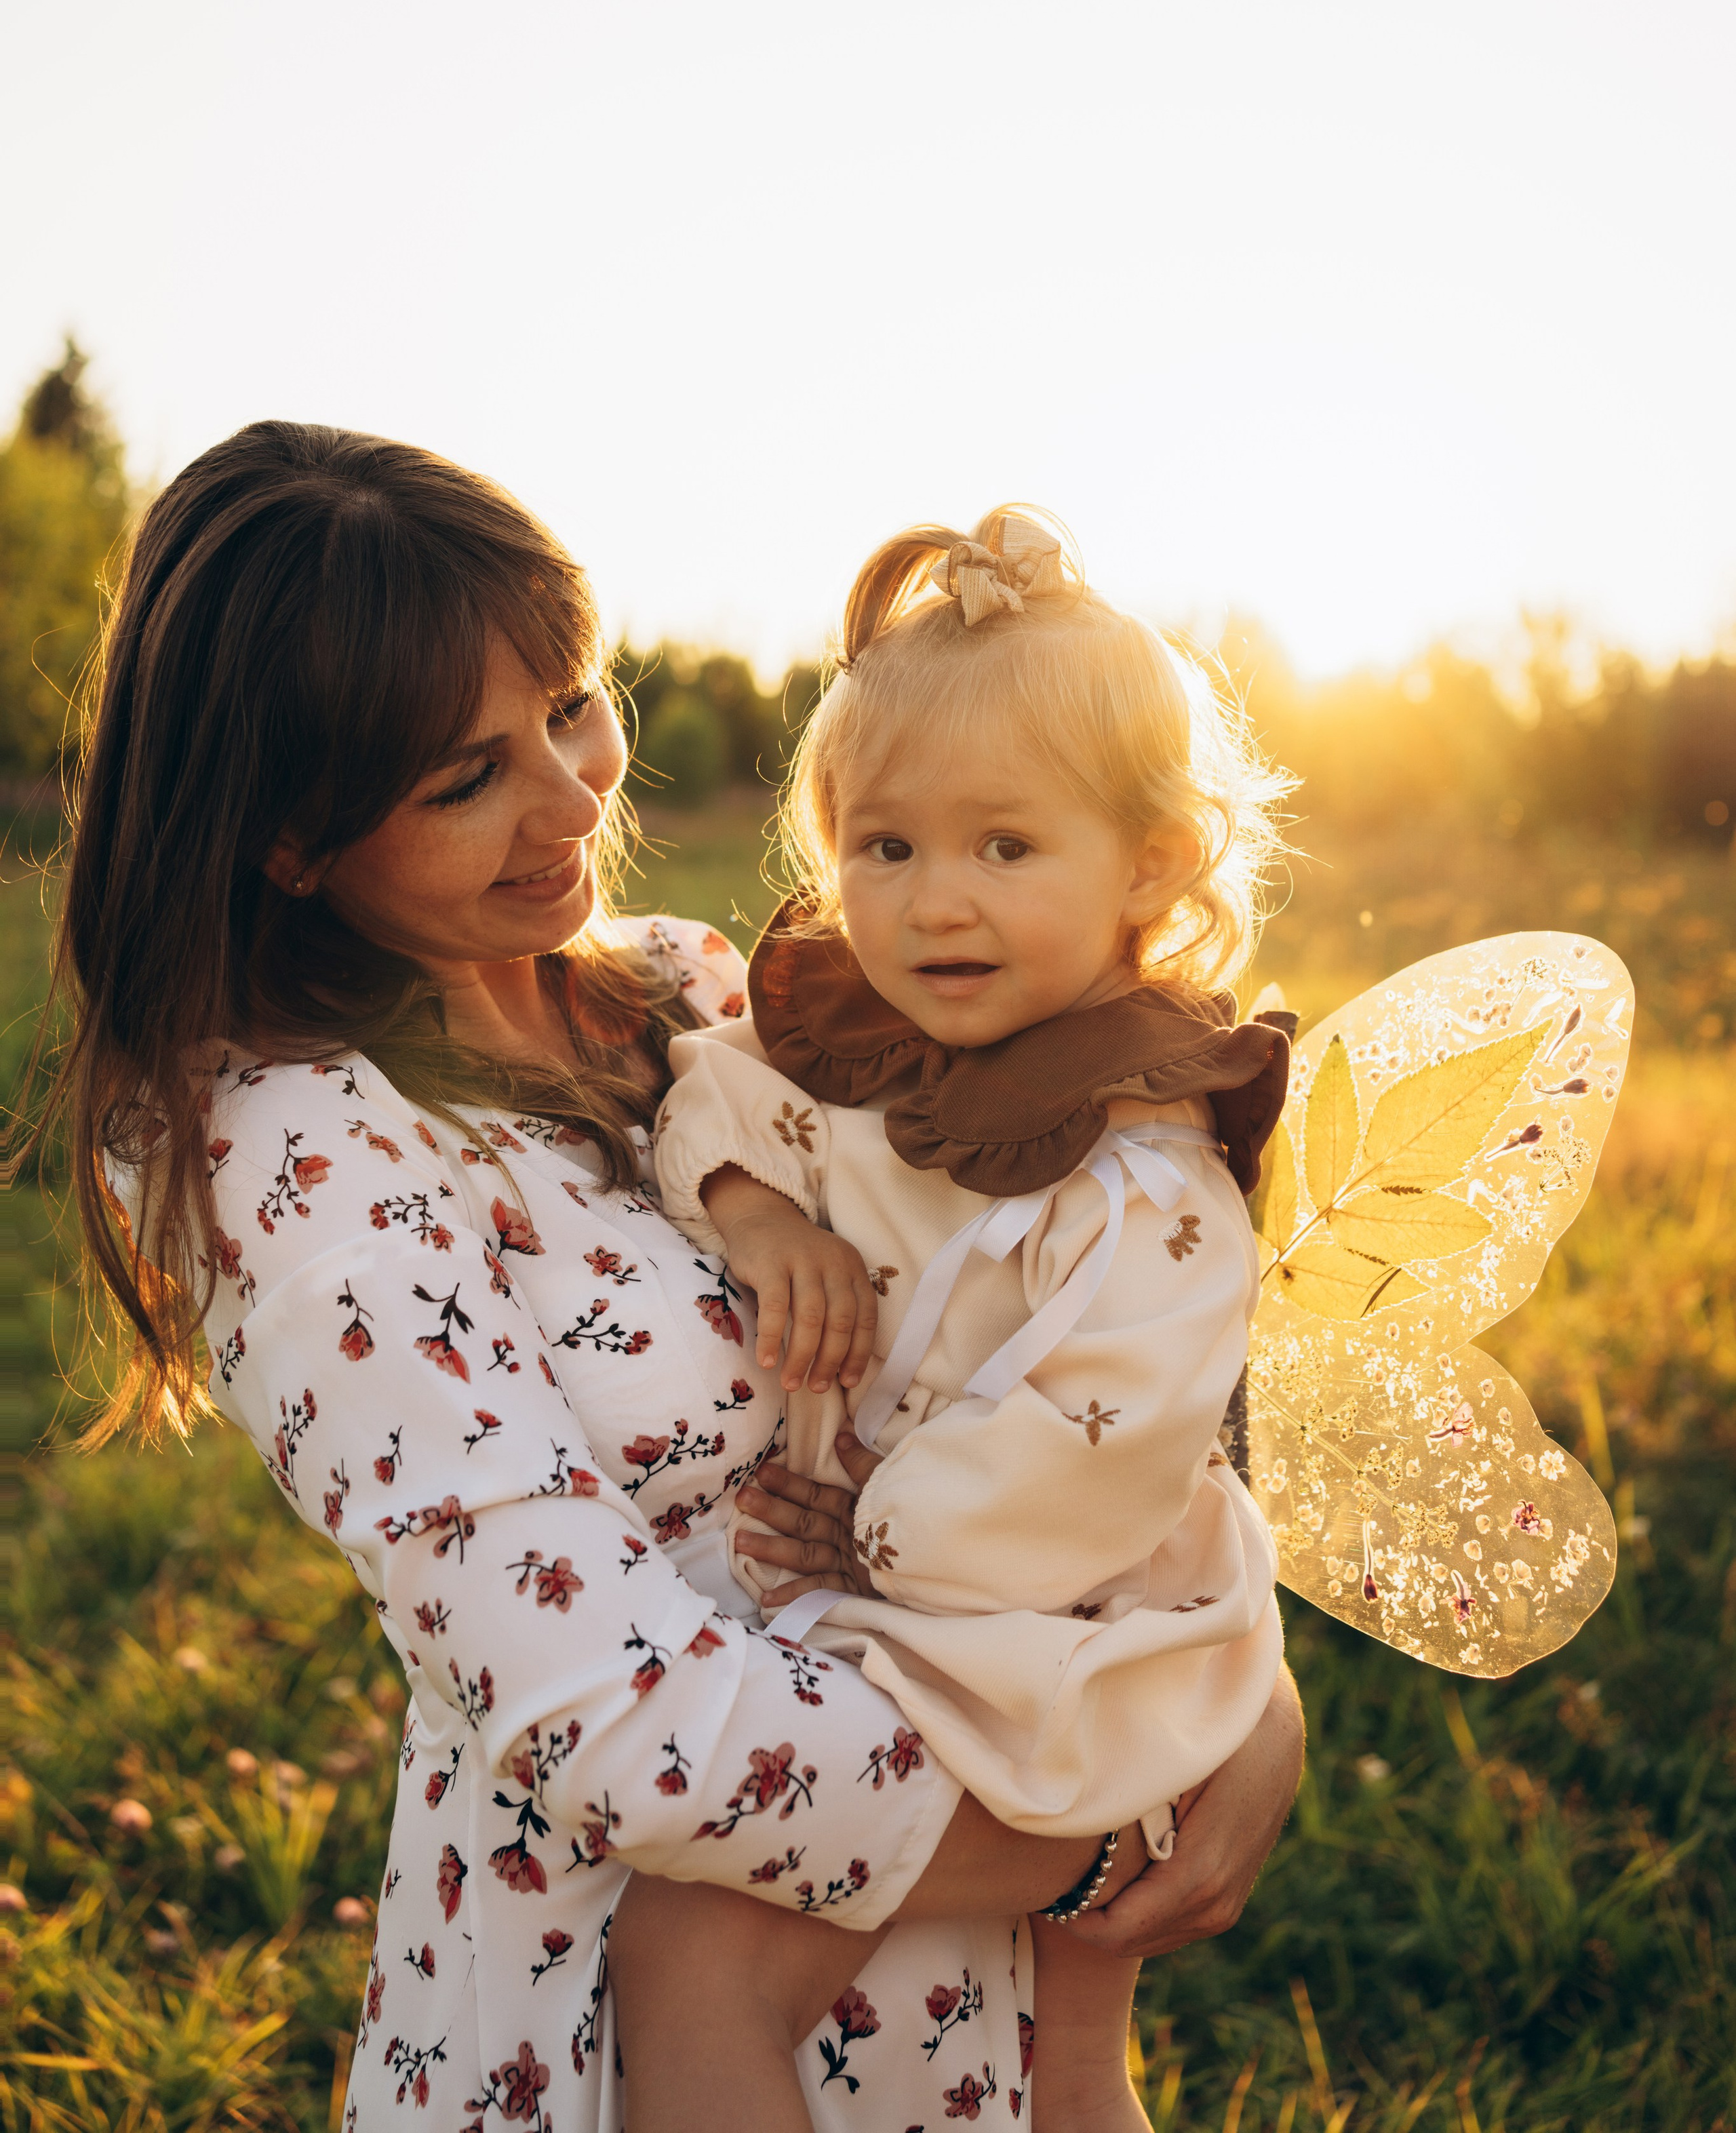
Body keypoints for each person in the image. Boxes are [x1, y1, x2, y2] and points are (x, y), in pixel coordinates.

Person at [18, 428, 1305, 2132]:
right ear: (288, 844)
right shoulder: (306, 1164)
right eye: (460, 780)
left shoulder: (685, 990)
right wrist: (1101, 1831)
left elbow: (1045, 1318)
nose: (568, 805)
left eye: (568, 709)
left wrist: (1241, 1685)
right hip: (650, 1989)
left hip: (941, 1972)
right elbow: (632, 1735)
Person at [631, 506, 1291, 2129]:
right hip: (957, 1612)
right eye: (887, 847)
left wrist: (877, 1535)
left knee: (712, 1945)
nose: (936, 905)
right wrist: (756, 1210)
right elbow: (712, 1091)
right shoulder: (879, 1048)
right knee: (1042, 2051)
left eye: (1005, 849)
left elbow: (1104, 1422)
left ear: (1152, 862)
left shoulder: (1141, 1155)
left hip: (1051, 1623)